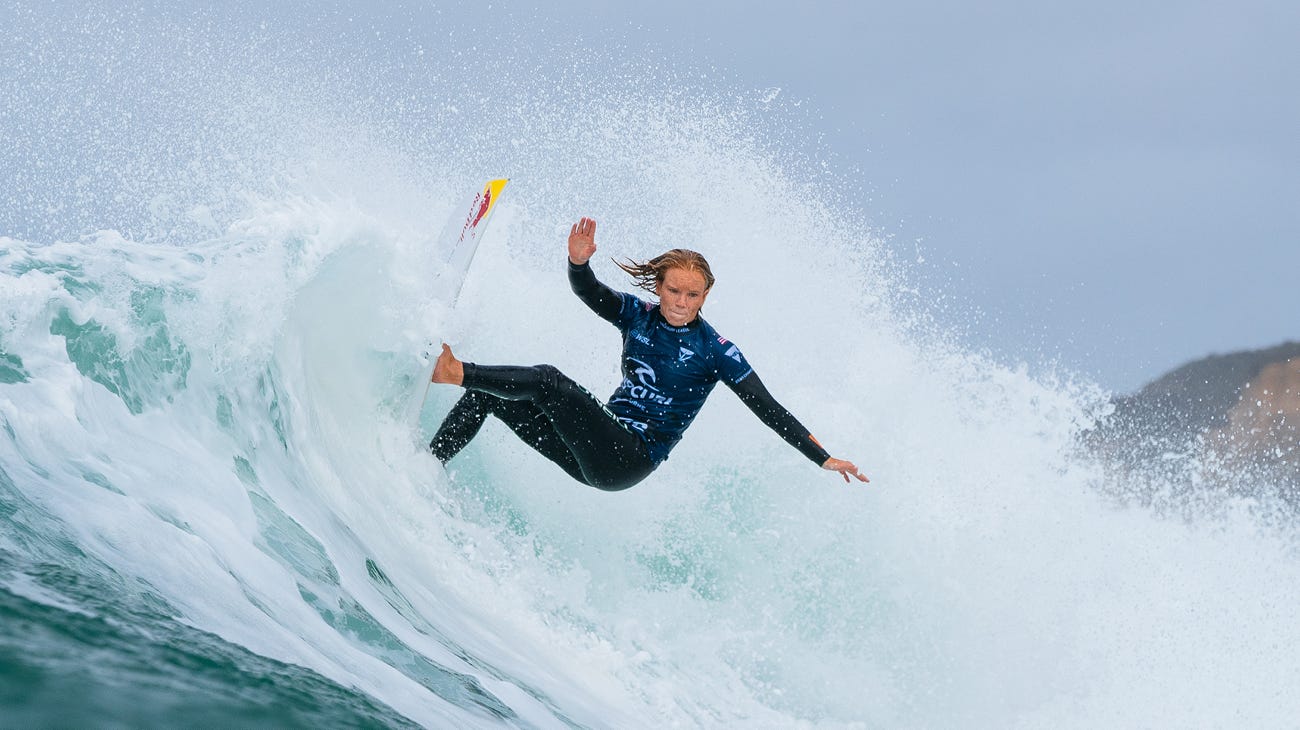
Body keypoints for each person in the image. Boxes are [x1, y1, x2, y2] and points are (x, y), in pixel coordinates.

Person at [429, 216, 868, 490]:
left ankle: (453, 371)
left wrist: (822, 457)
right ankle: (426, 468)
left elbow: (769, 409)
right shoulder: (638, 314)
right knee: (491, 395)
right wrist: (578, 263)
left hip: (627, 459)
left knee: (546, 380)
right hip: (590, 448)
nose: (681, 301)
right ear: (658, 288)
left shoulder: (718, 353)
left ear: (705, 295)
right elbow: (590, 293)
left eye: (692, 294)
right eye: (673, 290)